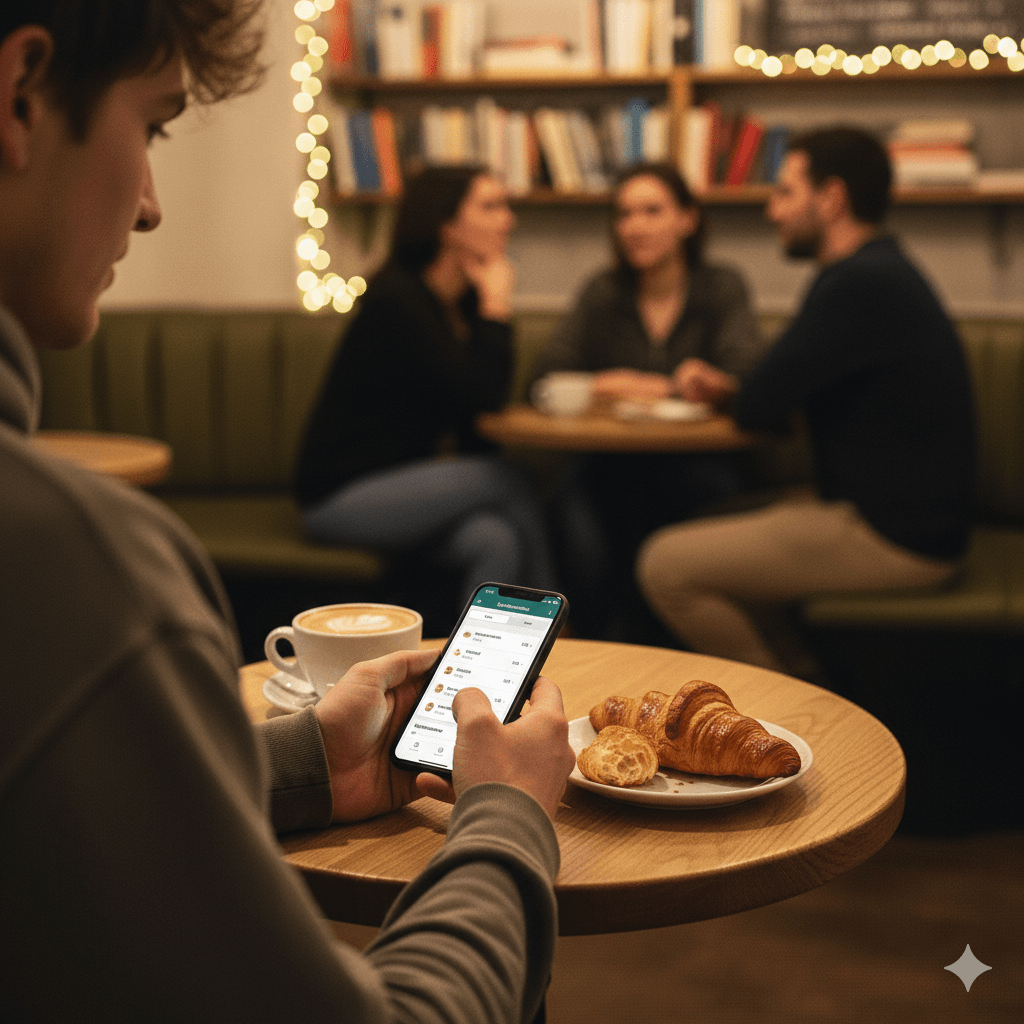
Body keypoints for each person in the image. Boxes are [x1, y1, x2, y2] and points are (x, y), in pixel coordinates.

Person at [0, 5, 576, 1022]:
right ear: (20, 96)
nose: (149, 207)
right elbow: (475, 412)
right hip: (343, 496)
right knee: (504, 491)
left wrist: (304, 765)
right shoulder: (79, 569)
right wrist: (504, 814)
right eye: (157, 124)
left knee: (493, 526)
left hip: (403, 513)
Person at [637, 127, 976, 676]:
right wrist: (735, 392)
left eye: (785, 192)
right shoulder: (882, 270)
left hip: (895, 536)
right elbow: (780, 390)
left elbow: (762, 403)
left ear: (832, 198)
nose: (772, 211)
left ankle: (785, 714)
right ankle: (795, 677)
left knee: (664, 565)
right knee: (710, 521)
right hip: (907, 520)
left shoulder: (856, 283)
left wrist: (735, 395)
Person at [294, 165, 557, 615]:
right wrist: (497, 307)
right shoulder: (398, 299)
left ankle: (476, 674)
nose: (508, 220)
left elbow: (473, 418)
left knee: (495, 537)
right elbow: (482, 399)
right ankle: (564, 631)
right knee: (510, 479)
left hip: (411, 487)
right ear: (447, 224)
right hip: (340, 495)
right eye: (491, 206)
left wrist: (486, 306)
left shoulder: (458, 300)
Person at [530, 162, 769, 638]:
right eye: (624, 215)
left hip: (697, 464)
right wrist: (642, 382)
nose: (635, 227)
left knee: (687, 500)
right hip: (608, 463)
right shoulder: (604, 291)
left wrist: (662, 384)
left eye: (652, 211)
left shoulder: (720, 286)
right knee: (577, 515)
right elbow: (546, 375)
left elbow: (746, 374)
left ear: (687, 219)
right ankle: (601, 650)